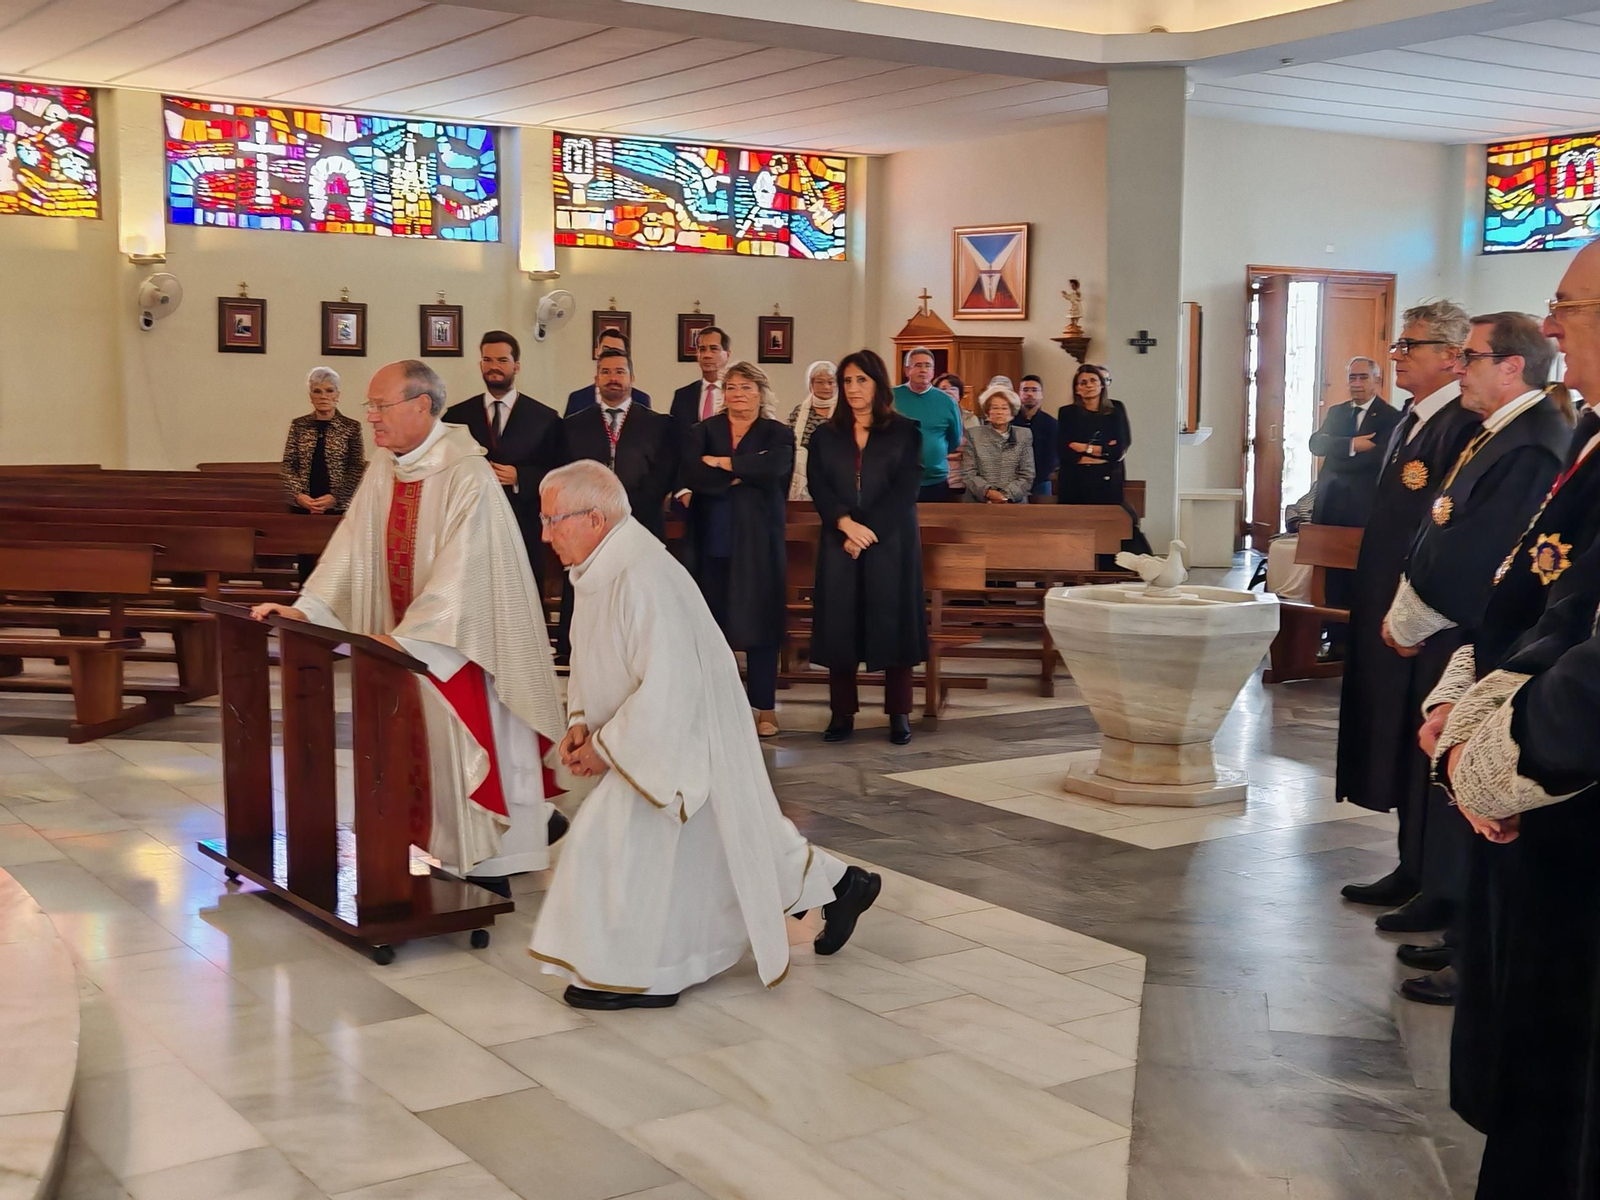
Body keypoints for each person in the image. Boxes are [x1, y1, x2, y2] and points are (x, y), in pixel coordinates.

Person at [528, 461, 881, 1010]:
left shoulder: (642, 575)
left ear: (594, 518)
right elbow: (593, 662)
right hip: (647, 736)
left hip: (680, 733)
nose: (545, 534)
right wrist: (580, 722)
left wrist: (603, 747)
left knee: (614, 838)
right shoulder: (599, 568)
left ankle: (645, 973)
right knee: (733, 837)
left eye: (553, 521)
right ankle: (839, 886)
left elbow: (671, 686)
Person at [252, 361, 567, 897]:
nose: (370, 417)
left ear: (422, 406)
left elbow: (466, 576)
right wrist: (308, 609)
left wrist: (410, 636)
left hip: (461, 647)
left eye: (380, 406)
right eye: (369, 406)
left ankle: (493, 858)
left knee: (467, 748)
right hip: (401, 645)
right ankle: (446, 847)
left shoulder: (467, 473)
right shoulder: (386, 466)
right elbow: (348, 551)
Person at [1424, 243, 1600, 1198]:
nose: (1555, 323)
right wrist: (1476, 688)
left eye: (1571, 303)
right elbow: (1556, 599)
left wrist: (1497, 753)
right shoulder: (1591, 437)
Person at [1379, 311, 1566, 1006]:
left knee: (1487, 808)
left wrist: (1418, 619)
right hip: (1475, 641)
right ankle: (1456, 926)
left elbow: (1493, 554)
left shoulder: (1534, 443)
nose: (1461, 366)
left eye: (1472, 356)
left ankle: (1474, 951)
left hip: (1499, 644)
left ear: (1511, 366)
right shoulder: (1505, 432)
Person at [1335, 301, 1481, 920]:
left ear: (1452, 357)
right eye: (1398, 344)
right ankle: (1411, 865)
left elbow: (1447, 532)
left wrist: (1413, 612)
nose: (1397, 356)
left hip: (1428, 621)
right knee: (1396, 737)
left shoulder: (1463, 424)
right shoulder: (1413, 421)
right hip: (1390, 605)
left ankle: (1438, 883)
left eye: (1410, 345)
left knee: (1426, 739)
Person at [808, 350, 927, 746]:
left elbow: (906, 488)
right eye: (847, 381)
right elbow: (819, 485)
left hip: (890, 541)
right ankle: (841, 713)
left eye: (861, 380)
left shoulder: (905, 430)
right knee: (840, 623)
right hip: (840, 539)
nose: (853, 388)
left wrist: (866, 531)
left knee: (893, 621)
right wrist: (845, 525)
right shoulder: (826, 434)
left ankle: (899, 714)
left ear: (878, 383)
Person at [679, 362, 793, 737]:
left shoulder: (778, 433)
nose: (737, 394)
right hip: (712, 538)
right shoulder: (703, 431)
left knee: (761, 624)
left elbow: (776, 470)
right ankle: (717, 703)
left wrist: (725, 464)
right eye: (731, 387)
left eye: (746, 387)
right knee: (712, 625)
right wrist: (745, 473)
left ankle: (764, 707)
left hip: (760, 542)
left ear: (761, 393)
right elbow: (695, 474)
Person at [557, 348, 679, 660]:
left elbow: (663, 473)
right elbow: (567, 473)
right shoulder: (573, 424)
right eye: (606, 372)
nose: (613, 378)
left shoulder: (658, 424)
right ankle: (580, 651)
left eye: (620, 372)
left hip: (642, 520)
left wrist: (624, 509)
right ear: (596, 378)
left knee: (639, 593)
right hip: (587, 525)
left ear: (632, 378)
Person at [442, 331, 561, 591]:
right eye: (487, 360)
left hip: (523, 522)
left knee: (523, 593)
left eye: (502, 360)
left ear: (516, 365)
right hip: (471, 524)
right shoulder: (457, 415)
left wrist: (521, 477)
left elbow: (558, 471)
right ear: (480, 364)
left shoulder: (544, 418)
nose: (494, 366)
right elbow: (444, 467)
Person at [1307, 357, 1403, 658]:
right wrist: (1352, 445)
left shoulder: (1391, 416)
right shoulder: (1337, 412)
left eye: (1362, 378)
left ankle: (1358, 640)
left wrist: (1340, 450)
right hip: (1330, 504)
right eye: (1352, 378)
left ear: (1377, 380)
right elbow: (1316, 444)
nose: (1356, 384)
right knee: (1331, 576)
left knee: (1361, 575)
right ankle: (1335, 640)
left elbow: (1379, 458)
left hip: (1363, 508)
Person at [281, 367, 367, 582]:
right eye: (317, 391)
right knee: (306, 562)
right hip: (303, 504)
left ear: (338, 395)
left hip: (336, 506)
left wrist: (335, 498)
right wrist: (298, 495)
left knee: (335, 560)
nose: (323, 397)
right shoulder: (299, 425)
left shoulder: (351, 427)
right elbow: (288, 465)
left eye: (329, 391)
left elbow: (356, 467)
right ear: (310, 396)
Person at [892, 346, 964, 502]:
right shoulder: (890, 398)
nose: (923, 370)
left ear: (933, 372)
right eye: (918, 365)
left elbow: (954, 439)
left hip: (935, 481)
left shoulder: (947, 401)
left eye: (928, 366)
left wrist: (934, 452)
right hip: (897, 479)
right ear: (907, 370)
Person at [1056, 364, 1132, 505]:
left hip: (1107, 479)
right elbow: (1065, 451)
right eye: (1083, 383)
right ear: (1077, 388)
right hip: (1074, 479)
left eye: (1093, 381)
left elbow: (1118, 450)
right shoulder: (1067, 413)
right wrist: (1102, 450)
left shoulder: (1115, 410)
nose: (1089, 386)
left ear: (1102, 385)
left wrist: (1083, 448)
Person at [961, 382, 1035, 503]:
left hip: (1014, 501)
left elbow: (1027, 474)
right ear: (987, 411)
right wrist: (988, 493)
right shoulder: (973, 434)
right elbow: (968, 473)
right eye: (995, 408)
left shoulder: (1024, 435)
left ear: (1012, 412)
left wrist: (1005, 495)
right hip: (979, 501)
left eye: (1004, 408)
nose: (999, 412)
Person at [564, 329, 653, 416]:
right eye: (606, 349)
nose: (611, 354)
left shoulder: (641, 399)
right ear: (596, 351)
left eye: (617, 351)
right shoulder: (577, 398)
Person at [786, 359, 837, 501]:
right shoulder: (799, 410)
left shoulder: (844, 411)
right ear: (811, 384)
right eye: (820, 382)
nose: (826, 386)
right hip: (803, 470)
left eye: (831, 382)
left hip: (834, 470)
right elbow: (788, 440)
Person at [669, 325, 731, 428]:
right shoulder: (682, 395)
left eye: (713, 349)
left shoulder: (736, 393)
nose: (707, 355)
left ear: (727, 355)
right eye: (702, 349)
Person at [1015, 375, 1059, 498]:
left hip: (1041, 480)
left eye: (1034, 390)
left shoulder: (1052, 424)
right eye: (1025, 390)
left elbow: (1053, 457)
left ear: (1041, 394)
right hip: (1013, 480)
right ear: (1019, 393)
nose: (1029, 394)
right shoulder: (1010, 421)